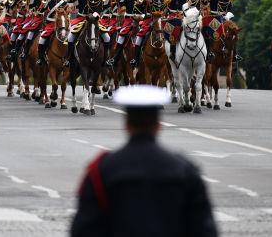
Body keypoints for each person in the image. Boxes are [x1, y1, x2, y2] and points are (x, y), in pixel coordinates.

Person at [71, 85, 217, 236]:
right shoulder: (185, 170)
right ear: (159, 125)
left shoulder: (101, 170)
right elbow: (205, 230)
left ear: (126, 125)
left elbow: (83, 229)